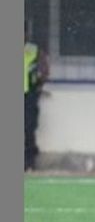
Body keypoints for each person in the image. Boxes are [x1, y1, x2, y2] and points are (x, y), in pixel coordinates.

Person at [24, 22, 49, 171]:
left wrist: (39, 83)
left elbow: (44, 70)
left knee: (28, 128)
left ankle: (29, 162)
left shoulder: (34, 51)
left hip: (29, 95)